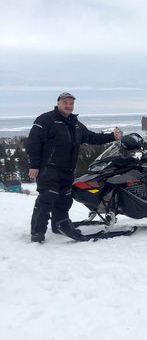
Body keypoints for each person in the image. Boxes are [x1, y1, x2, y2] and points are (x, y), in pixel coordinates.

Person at [27, 92, 122, 242]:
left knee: (64, 200)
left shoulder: (75, 123)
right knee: (47, 197)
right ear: (58, 103)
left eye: (71, 103)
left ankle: (60, 225)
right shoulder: (45, 119)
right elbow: (33, 142)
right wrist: (34, 165)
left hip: (68, 170)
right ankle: (37, 232)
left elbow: (91, 137)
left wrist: (112, 136)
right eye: (65, 102)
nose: (68, 106)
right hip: (48, 168)